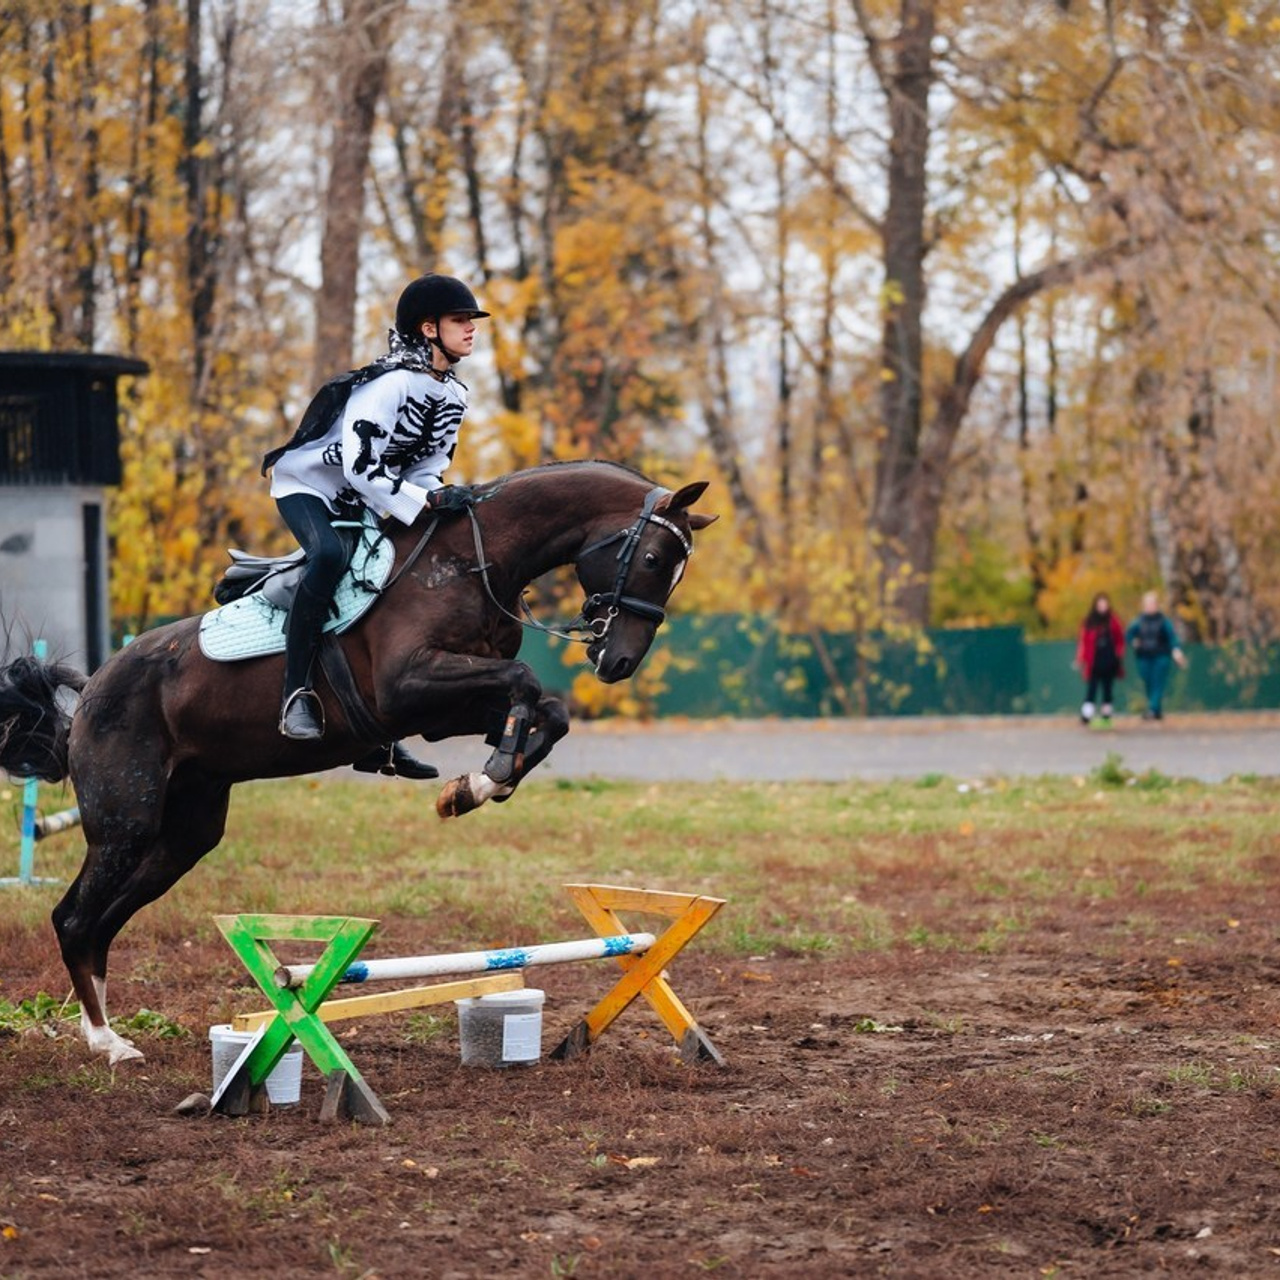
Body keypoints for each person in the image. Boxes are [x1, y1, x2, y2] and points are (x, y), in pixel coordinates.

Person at [261, 272, 489, 774]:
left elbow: (427, 469)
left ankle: (376, 737)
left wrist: (438, 497)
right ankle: (294, 694)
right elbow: (359, 466)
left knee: (393, 578)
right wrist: (423, 501)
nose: (471, 328)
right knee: (328, 557)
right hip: (309, 487)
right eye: (460, 320)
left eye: (471, 321)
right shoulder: (389, 384)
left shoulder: (455, 395)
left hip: (367, 496)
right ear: (428, 329)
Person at [1125, 590, 1188, 721]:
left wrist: (1176, 650)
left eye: (1152, 603)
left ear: (1156, 605)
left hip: (1160, 656)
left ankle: (1152, 709)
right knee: (1148, 683)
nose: (1150, 606)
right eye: (1147, 603)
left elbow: (1172, 637)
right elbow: (1128, 635)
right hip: (1144, 656)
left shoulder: (1164, 621)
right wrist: (1133, 641)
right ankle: (1156, 711)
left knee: (1158, 683)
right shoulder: (1138, 621)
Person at [1075, 592, 1125, 727]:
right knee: (1092, 688)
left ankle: (1106, 716)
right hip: (1094, 661)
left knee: (1107, 689)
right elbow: (1083, 641)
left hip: (1109, 660)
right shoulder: (1089, 622)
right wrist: (1080, 658)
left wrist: (1118, 654)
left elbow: (1120, 639)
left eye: (1105, 604)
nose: (1103, 607)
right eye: (1100, 604)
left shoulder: (1113, 621)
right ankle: (1086, 716)